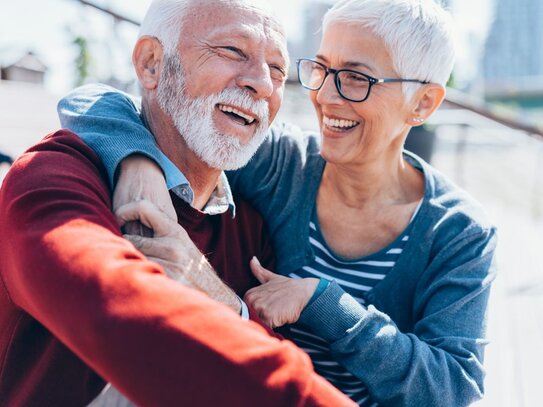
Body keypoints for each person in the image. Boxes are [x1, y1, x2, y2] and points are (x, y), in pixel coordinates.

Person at [58, 0, 497, 406]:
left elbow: (453, 390)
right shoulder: (283, 163)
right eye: (321, 69)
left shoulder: (460, 234)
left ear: (422, 103)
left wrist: (324, 303)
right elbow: (97, 103)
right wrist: (139, 161)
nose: (326, 96)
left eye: (356, 79)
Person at [0, 0, 355, 406]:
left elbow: (254, 348)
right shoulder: (54, 179)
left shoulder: (251, 229)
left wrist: (221, 297)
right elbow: (122, 312)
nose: (263, 83)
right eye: (232, 51)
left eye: (277, 69)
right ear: (151, 64)